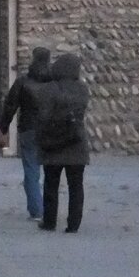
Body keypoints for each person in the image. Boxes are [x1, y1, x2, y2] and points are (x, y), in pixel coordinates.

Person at [30, 52, 90, 233]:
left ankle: (49, 221)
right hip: (76, 141)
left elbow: (42, 115)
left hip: (53, 142)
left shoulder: (48, 89)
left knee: (51, 184)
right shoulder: (82, 89)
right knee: (76, 186)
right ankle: (74, 223)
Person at [0, 46, 51, 221]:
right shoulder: (54, 83)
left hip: (29, 128)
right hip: (50, 130)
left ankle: (36, 210)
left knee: (31, 170)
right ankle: (49, 208)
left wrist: (3, 127)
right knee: (51, 171)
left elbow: (10, 105)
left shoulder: (23, 82)